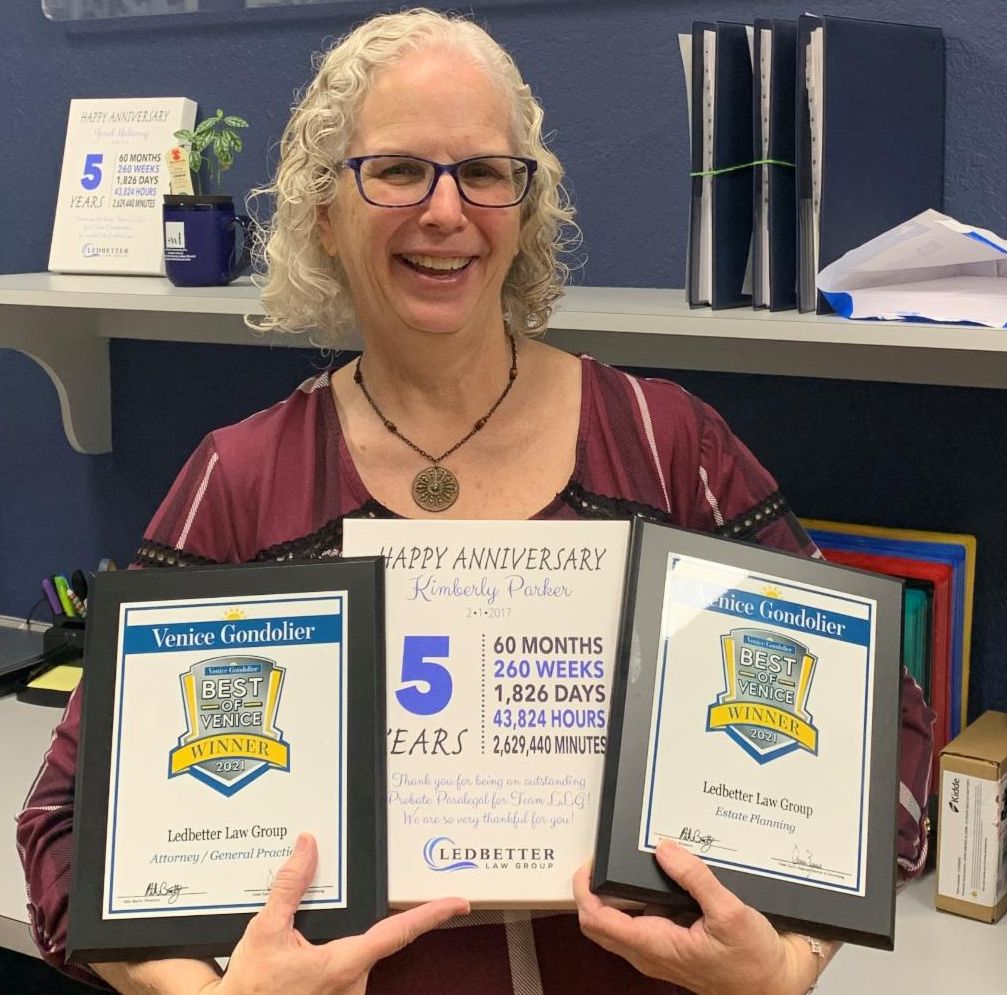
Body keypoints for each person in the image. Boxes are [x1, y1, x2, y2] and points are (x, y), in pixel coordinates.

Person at [18, 9, 934, 995]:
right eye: (397, 169)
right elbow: (66, 820)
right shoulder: (244, 480)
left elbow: (886, 733)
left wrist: (787, 960)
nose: (445, 211)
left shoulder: (665, 446)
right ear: (324, 211)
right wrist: (205, 994)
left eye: (485, 173)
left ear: (525, 208)